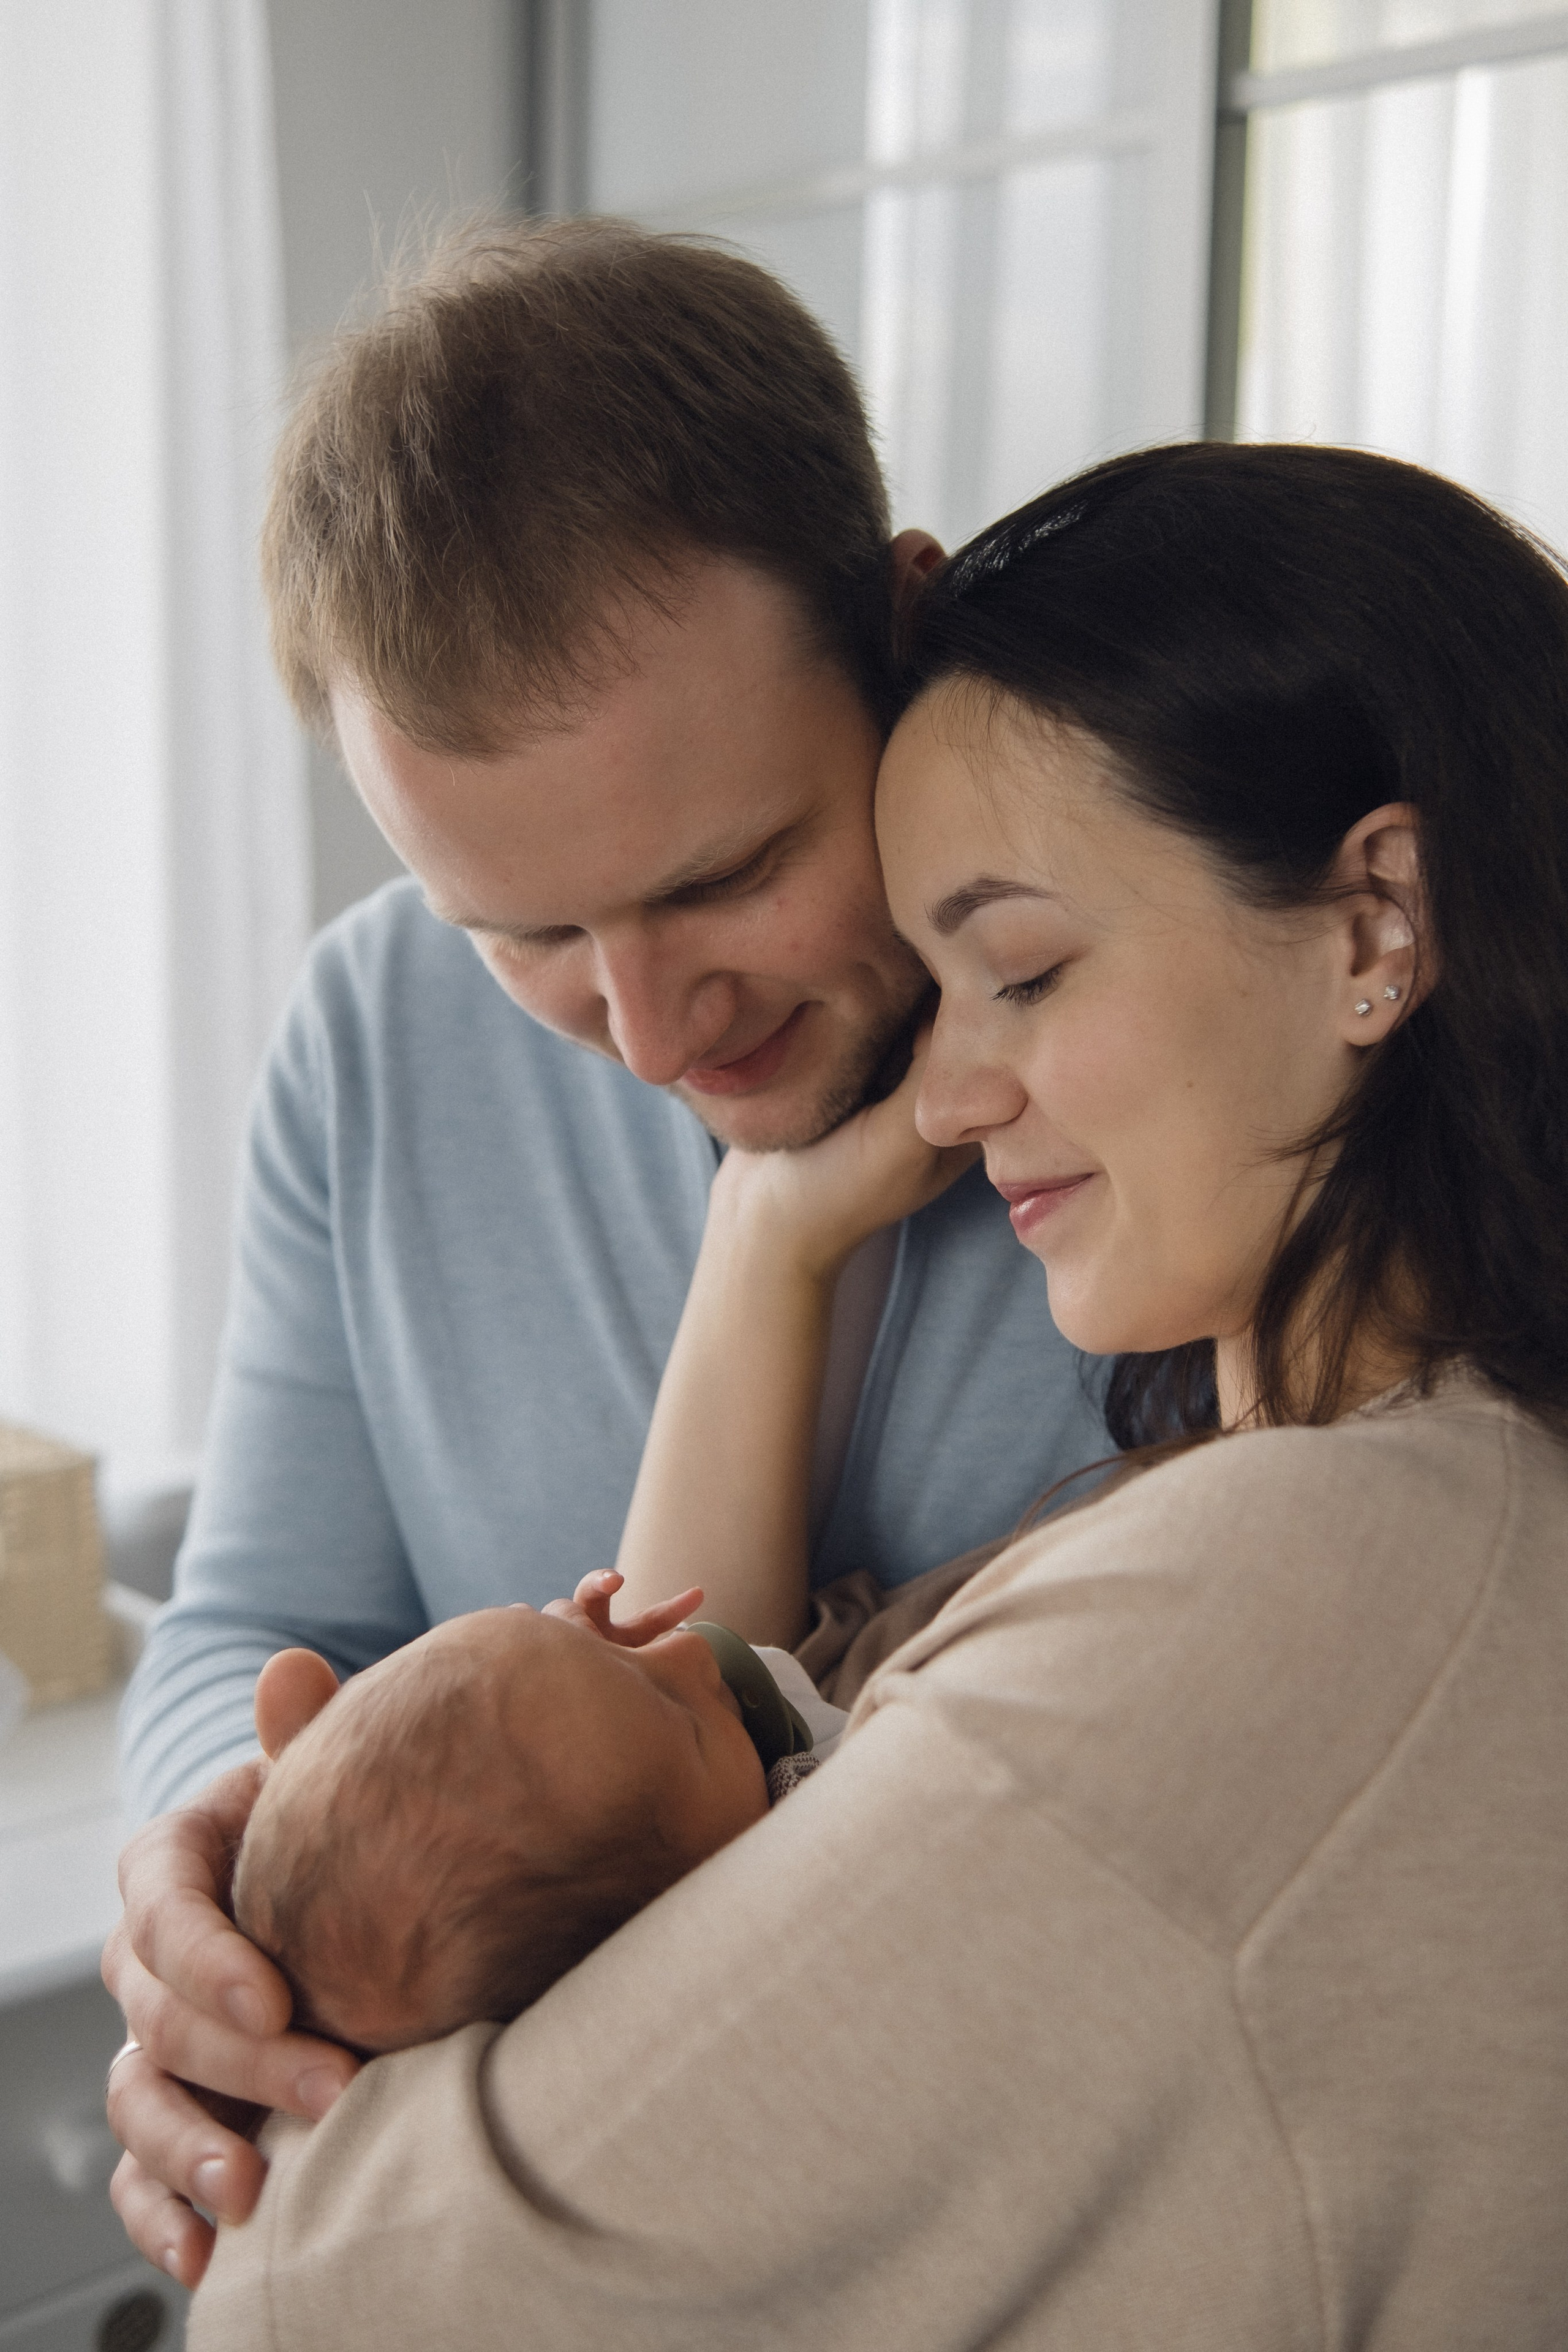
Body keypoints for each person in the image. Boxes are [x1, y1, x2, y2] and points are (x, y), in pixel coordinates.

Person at [187, 442, 1568, 2346]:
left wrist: (272, 2081)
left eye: (1020, 969)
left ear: (1376, 925)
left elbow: (317, 2299)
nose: (950, 1092)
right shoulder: (1270, 1508)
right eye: (937, 989)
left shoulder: (1299, 1587)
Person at [103, 215, 1106, 2285]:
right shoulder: (373, 1029)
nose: (656, 1039)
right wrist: (233, 1897)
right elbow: (259, 1616)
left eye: (726, 875)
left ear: (903, 630)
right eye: (529, 936)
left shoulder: (1161, 1063)